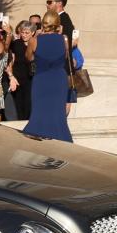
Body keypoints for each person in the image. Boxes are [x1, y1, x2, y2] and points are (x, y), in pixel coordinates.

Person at [23, 10, 72, 142]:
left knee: (40, 110)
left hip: (42, 79)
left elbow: (28, 57)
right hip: (59, 80)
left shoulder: (34, 40)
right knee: (57, 112)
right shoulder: (64, 39)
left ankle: (38, 136)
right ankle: (59, 138)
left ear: (43, 23)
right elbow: (65, 57)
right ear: (58, 24)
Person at [8, 20, 35, 120]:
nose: (24, 35)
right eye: (22, 32)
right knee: (18, 105)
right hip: (18, 78)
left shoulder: (35, 43)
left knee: (29, 105)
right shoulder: (16, 43)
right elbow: (11, 60)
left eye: (27, 33)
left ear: (32, 32)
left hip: (31, 78)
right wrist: (11, 76)